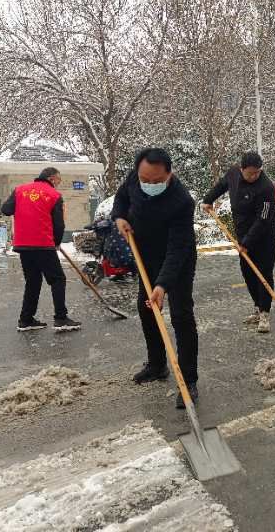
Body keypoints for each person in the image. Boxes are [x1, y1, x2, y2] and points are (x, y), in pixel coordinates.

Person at [111, 148, 199, 408]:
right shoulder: (136, 178)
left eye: (156, 181)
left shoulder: (182, 201)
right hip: (145, 254)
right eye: (145, 180)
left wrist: (162, 285)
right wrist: (119, 218)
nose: (149, 185)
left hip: (177, 260)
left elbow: (177, 249)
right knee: (146, 308)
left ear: (169, 174)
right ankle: (158, 364)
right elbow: (122, 198)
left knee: (181, 315)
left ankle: (189, 381)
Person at [202, 152, 275, 333]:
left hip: (264, 236)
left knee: (263, 273)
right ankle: (256, 308)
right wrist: (208, 200)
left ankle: (265, 314)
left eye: (258, 172)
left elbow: (263, 220)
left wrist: (247, 242)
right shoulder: (233, 174)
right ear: (241, 169)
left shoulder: (266, 188)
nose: (254, 176)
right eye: (250, 173)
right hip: (243, 233)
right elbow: (222, 185)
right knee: (248, 272)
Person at [1, 167, 81, 332]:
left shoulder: (19, 191)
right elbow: (58, 224)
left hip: (23, 245)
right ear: (51, 179)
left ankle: (26, 319)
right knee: (57, 279)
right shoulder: (54, 195)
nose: (58, 185)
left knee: (33, 281)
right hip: (43, 244)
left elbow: (6, 210)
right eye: (58, 181)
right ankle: (61, 318)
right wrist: (57, 242)